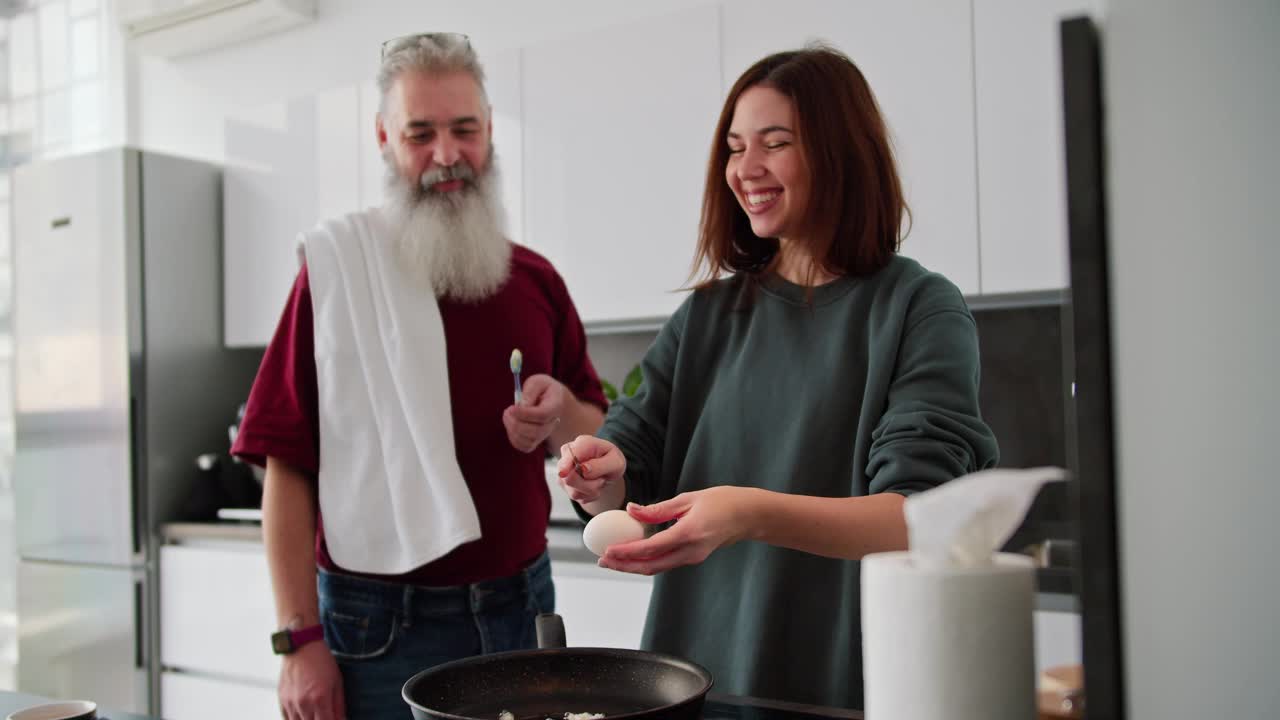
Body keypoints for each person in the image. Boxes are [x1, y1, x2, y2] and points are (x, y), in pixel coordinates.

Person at [557, 44, 999, 710]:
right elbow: (626, 480)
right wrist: (603, 473)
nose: (746, 169)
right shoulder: (707, 316)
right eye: (735, 147)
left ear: (839, 152)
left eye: (775, 142)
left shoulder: (917, 307)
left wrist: (746, 514)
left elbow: (916, 519)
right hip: (693, 684)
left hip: (837, 685)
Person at [232, 33, 607, 720]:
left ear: (490, 132)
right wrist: (298, 643)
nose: (445, 156)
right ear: (384, 138)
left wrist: (558, 416)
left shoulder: (535, 280)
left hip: (519, 611)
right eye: (420, 133)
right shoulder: (335, 273)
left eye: (464, 130)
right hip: (375, 627)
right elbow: (287, 469)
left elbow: (598, 435)